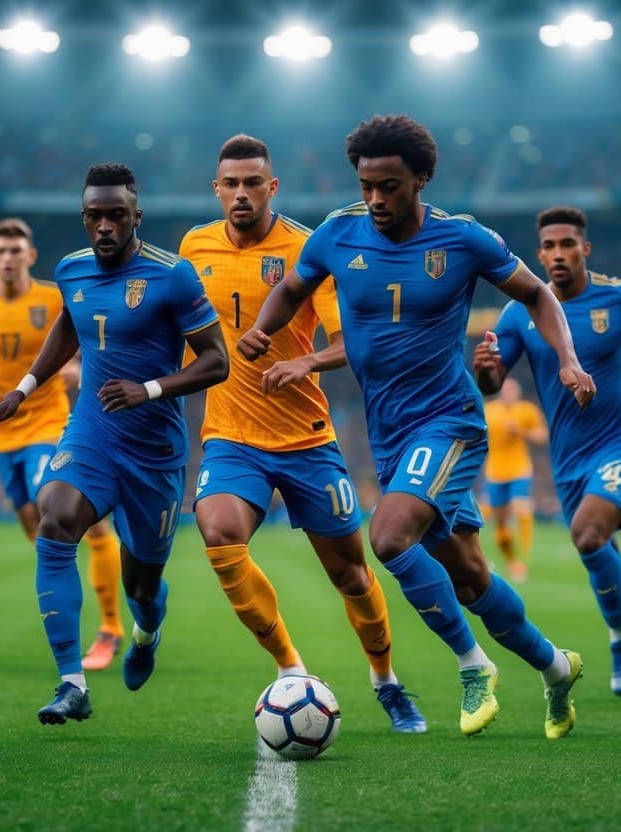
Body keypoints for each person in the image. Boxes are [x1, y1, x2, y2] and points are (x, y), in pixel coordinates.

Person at [240, 115, 595, 738]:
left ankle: (473, 665)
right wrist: (264, 330)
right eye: (367, 185)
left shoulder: (463, 240)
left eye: (390, 186)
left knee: (388, 537)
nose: (376, 199)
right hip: (390, 435)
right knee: (470, 578)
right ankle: (555, 666)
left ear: (421, 180)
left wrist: (566, 360)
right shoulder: (337, 234)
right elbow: (293, 288)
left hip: (450, 422)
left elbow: (539, 295)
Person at [180, 134, 425, 732]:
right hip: (231, 435)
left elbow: (351, 342)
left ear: (272, 186)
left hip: (307, 437)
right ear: (217, 190)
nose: (241, 193)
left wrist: (305, 363)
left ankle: (385, 679)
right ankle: (291, 669)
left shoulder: (309, 249)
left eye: (252, 182)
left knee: (351, 574)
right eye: (230, 184)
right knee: (218, 532)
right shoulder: (194, 246)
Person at [0, 163, 229, 725]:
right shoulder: (70, 270)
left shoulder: (174, 276)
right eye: (94, 216)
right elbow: (69, 325)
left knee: (141, 583)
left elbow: (218, 361)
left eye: (116, 215)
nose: (105, 226)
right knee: (55, 516)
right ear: (84, 217)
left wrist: (148, 389)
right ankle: (72, 682)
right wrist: (21, 392)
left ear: (136, 215)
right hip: (92, 433)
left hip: (155, 452)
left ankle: (146, 630)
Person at [475, 206, 621, 698]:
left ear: (585, 249)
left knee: (588, 536)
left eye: (567, 244)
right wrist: (486, 366)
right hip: (568, 463)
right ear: (538, 254)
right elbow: (492, 385)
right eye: (549, 246)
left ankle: (620, 643)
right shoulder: (520, 312)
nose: (558, 254)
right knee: (602, 556)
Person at [0, 218, 125, 671]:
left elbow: (94, 339)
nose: (8, 259)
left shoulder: (55, 295)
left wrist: (76, 369)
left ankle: (110, 627)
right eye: (1, 251)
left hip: (51, 426)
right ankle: (82, 607)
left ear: (30, 257)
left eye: (17, 251)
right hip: (3, 436)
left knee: (66, 513)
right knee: (36, 529)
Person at [481, 377, 546, 583]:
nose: (509, 393)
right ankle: (512, 561)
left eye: (512, 390)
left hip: (519, 469)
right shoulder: (489, 411)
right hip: (495, 471)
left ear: (517, 393)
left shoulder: (526, 410)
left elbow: (542, 436)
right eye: (506, 390)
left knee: (522, 510)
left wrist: (520, 430)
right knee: (500, 527)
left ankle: (524, 560)